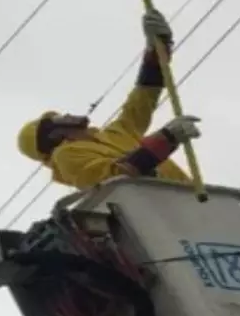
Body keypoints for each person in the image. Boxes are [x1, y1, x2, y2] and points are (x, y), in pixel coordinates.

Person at [16, 10, 202, 190]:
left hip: (190, 199)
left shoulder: (115, 134)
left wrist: (157, 48)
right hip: (167, 213)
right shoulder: (65, 156)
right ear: (53, 134)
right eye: (58, 118)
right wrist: (166, 138)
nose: (67, 114)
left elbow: (144, 95)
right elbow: (116, 179)